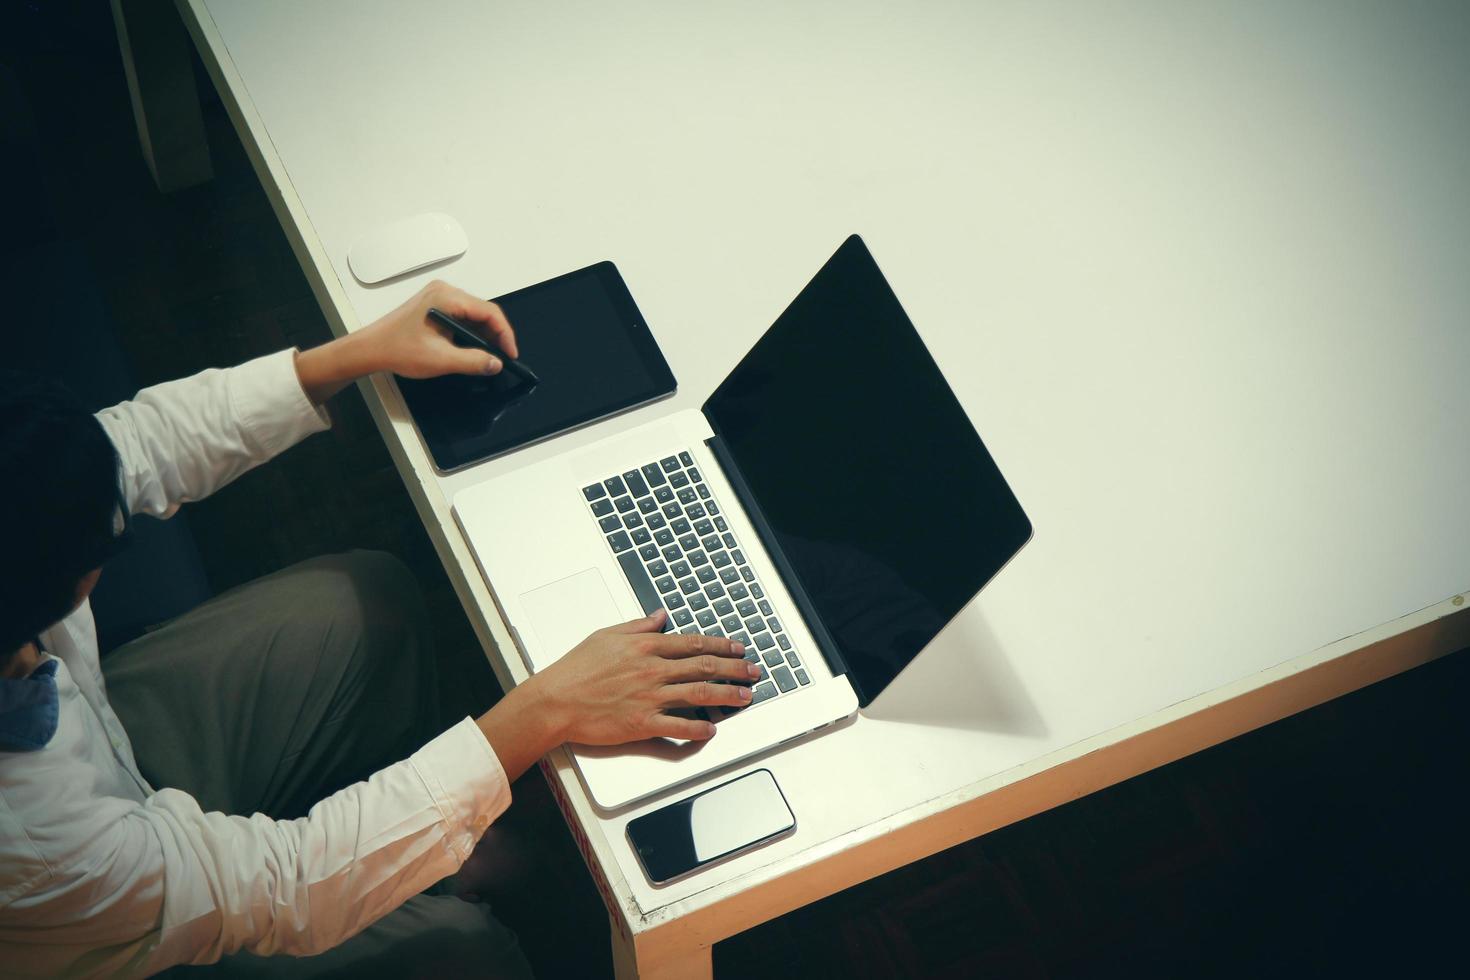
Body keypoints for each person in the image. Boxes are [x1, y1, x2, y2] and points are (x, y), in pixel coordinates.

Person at [0, 281, 760, 978]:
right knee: (468, 956)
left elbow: (125, 448)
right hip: (123, 930)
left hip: (114, 761)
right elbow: (284, 885)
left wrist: (356, 352)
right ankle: (427, 862)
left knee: (370, 597)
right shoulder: (42, 852)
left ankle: (424, 844)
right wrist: (546, 707)